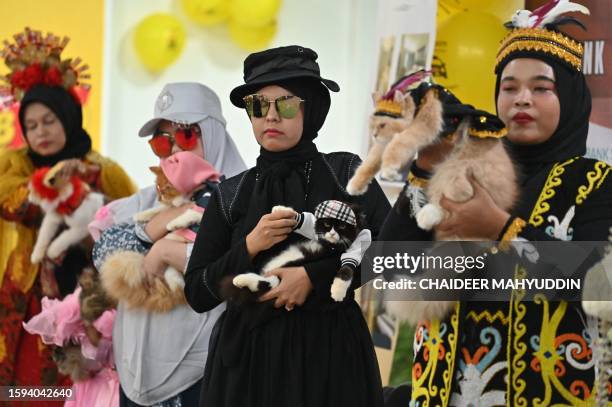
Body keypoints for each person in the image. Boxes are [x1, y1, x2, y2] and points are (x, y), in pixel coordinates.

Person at [379, 5, 612, 406]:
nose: (522, 99)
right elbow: (387, 266)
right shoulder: (465, 170)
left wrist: (502, 230)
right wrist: (425, 169)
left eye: (541, 88)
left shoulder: (596, 182)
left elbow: (597, 289)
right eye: (509, 87)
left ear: (571, 97)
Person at [184, 45, 390, 407]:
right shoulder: (231, 194)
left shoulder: (346, 174)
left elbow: (395, 251)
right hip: (247, 367)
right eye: (258, 105)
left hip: (330, 358)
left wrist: (315, 277)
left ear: (310, 108)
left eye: (286, 103)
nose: (271, 117)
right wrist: (249, 246)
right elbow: (198, 292)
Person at [91, 82, 246, 406]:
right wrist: (154, 228)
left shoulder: (244, 196)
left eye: (186, 135)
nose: (174, 150)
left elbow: (235, 269)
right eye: (162, 142)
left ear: (212, 134)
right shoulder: (147, 199)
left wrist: (163, 251)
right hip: (134, 382)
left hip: (204, 376)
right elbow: (102, 254)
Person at [0, 29, 135, 389]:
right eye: (30, 126)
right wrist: (50, 185)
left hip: (89, 299)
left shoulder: (102, 170)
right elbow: (11, 202)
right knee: (24, 386)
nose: (40, 132)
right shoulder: (14, 168)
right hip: (26, 296)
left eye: (49, 121)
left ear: (68, 118)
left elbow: (128, 224)